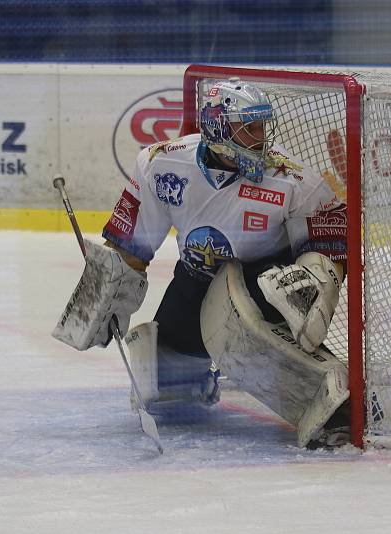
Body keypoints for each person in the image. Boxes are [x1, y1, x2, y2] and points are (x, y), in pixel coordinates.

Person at [53, 78, 349, 448]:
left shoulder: (291, 180)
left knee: (243, 335)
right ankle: (196, 378)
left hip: (259, 287)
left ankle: (330, 398)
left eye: (262, 126)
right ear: (217, 127)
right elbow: (131, 248)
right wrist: (104, 299)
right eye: (249, 128)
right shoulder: (162, 164)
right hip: (195, 279)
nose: (261, 137)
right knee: (164, 391)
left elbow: (332, 241)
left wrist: (311, 282)